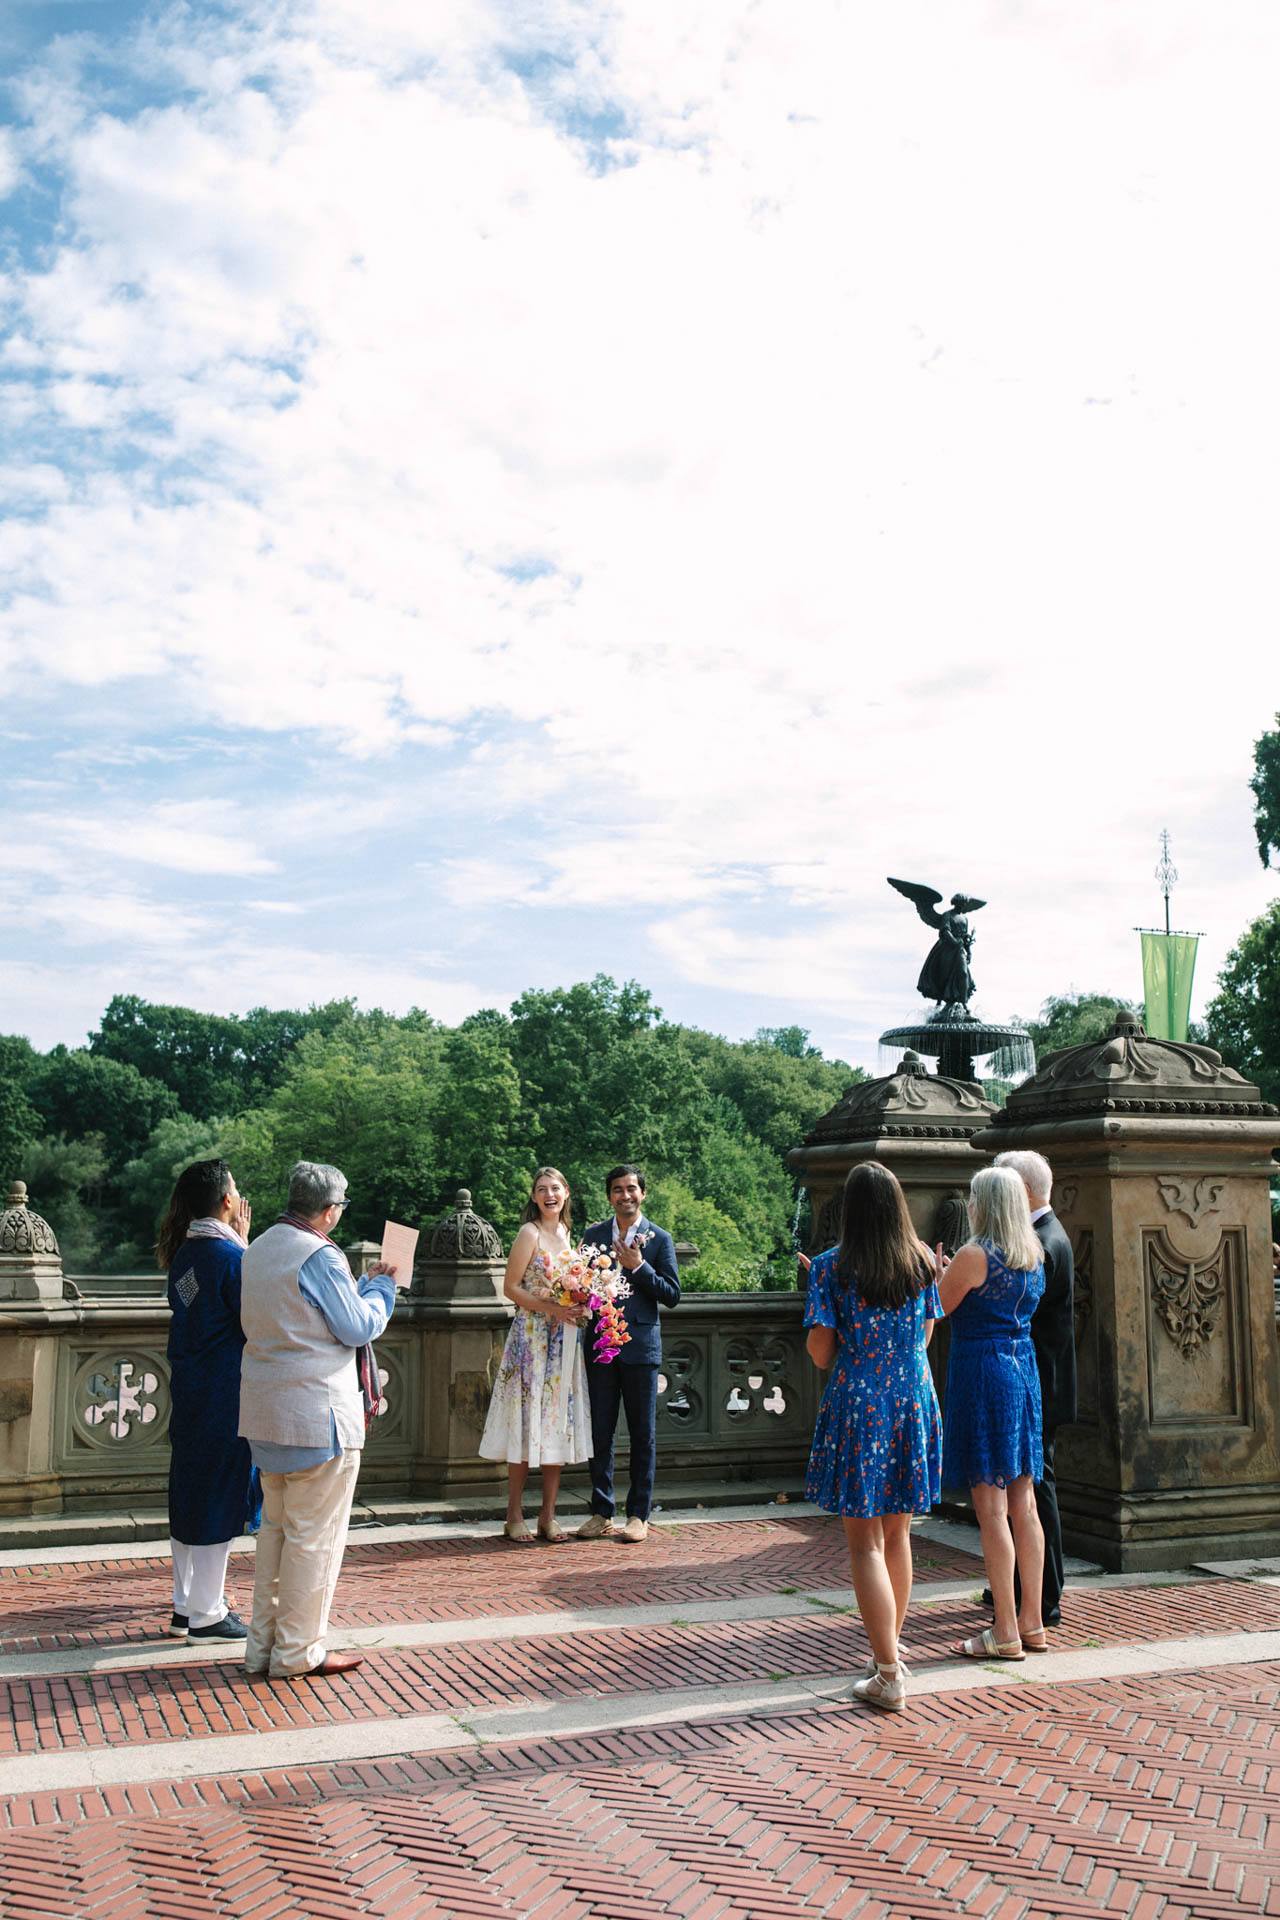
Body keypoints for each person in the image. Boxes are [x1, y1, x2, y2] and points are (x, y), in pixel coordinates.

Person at [238, 1160, 398, 1681]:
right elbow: (356, 1327)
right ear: (330, 1211)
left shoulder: (258, 1246)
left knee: (276, 1537)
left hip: (266, 1413)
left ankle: (263, 1648)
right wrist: (383, 1289)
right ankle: (298, 1653)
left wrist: (361, 1285)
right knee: (315, 1541)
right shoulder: (321, 1254)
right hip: (317, 1416)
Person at [803, 1162, 942, 1714]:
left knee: (865, 1544)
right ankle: (888, 1651)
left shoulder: (833, 1268)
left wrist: (853, 1358)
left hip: (861, 1400)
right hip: (913, 1396)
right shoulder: (923, 1264)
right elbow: (927, 1332)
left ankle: (888, 1672)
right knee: (899, 1534)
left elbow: (818, 1351)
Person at [938, 1165, 1046, 1661]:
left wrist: (937, 1272)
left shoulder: (974, 1254)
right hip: (1022, 1372)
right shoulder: (1032, 1255)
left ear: (986, 1204)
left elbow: (933, 1308)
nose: (971, 1206)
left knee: (991, 1508)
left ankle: (1003, 1628)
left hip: (982, 1373)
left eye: (974, 1198)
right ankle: (1032, 1622)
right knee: (1025, 1503)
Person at [158, 1158, 256, 1642]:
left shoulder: (185, 1254)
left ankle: (185, 1606)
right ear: (225, 1201)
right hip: (226, 1387)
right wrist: (246, 1243)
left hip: (191, 1385)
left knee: (190, 1487)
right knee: (221, 1489)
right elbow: (256, 1317)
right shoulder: (230, 1257)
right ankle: (208, 1613)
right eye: (235, 1190)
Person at [478, 1166, 592, 1542]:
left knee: (555, 1423)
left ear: (566, 1193)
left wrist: (582, 1305)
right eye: (541, 1189)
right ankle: (513, 1514)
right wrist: (554, 1309)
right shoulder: (529, 1233)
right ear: (533, 1197)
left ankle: (548, 1515)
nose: (549, 1195)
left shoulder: (567, 1234)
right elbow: (512, 1288)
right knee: (526, 1424)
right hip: (531, 1340)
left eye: (555, 1188)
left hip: (563, 1343)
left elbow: (572, 1288)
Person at [989, 1149, 1076, 1627]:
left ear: (1020, 1192)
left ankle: (1043, 1598)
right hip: (1040, 1380)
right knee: (1030, 1489)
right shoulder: (1046, 1235)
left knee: (1036, 1491)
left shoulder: (1041, 1241)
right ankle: (1027, 1587)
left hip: (1036, 1382)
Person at [576, 1164, 680, 1544]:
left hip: (640, 1348)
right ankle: (602, 1511)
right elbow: (581, 1285)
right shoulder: (593, 1235)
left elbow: (671, 1294)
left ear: (643, 1193)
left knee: (642, 1435)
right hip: (600, 1347)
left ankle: (639, 1515)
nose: (625, 1195)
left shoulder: (659, 1239)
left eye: (632, 1188)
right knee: (599, 1432)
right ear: (609, 1196)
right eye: (618, 1189)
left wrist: (639, 1267)